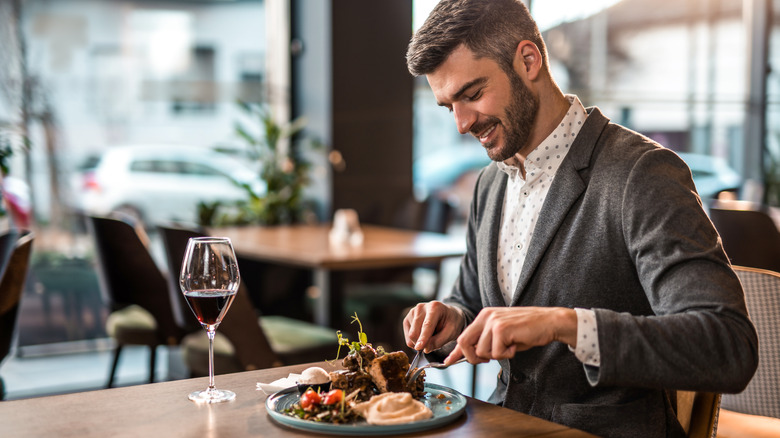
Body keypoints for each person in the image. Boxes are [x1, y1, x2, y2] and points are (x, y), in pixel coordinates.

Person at [402, 1, 758, 436]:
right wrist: (453, 318)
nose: (461, 124)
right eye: (448, 106)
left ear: (528, 60)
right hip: (503, 425)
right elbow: (472, 301)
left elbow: (726, 346)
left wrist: (563, 323)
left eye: (472, 94)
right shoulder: (489, 184)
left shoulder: (641, 174)